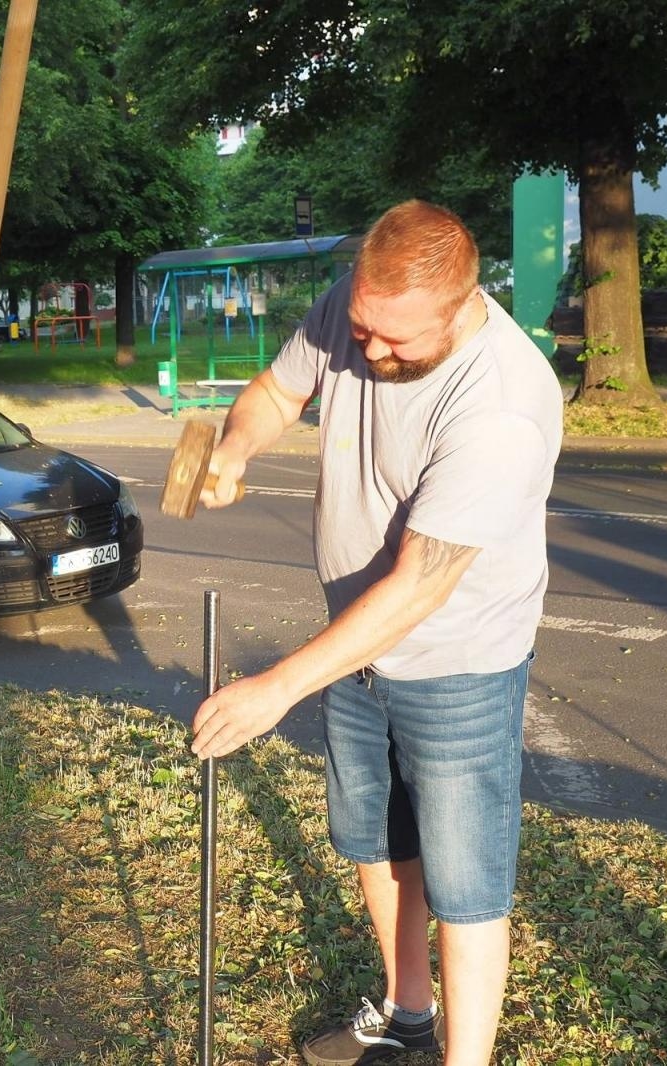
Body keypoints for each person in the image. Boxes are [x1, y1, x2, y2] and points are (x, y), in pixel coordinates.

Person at [189, 200, 563, 1065]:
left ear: (464, 305)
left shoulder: (502, 404)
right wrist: (238, 448)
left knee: (466, 887)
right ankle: (406, 1017)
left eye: (397, 342)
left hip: (458, 665)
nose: (372, 353)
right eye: (364, 329)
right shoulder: (357, 307)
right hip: (355, 652)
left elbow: (422, 584)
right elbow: (281, 389)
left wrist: (277, 687)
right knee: (374, 841)